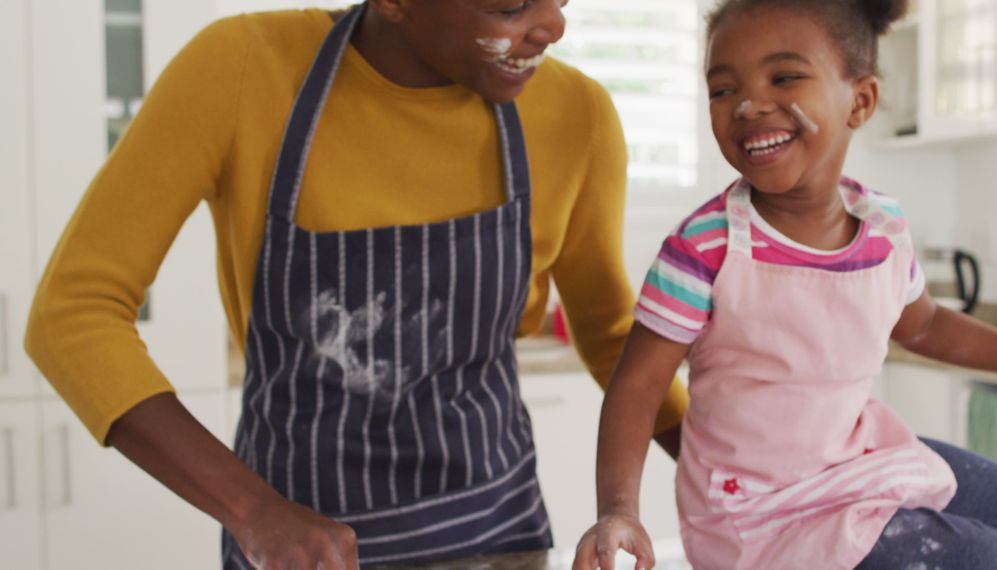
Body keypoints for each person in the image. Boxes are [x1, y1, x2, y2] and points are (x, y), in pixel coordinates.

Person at [23, 1, 690, 568]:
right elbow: (72, 313)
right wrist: (253, 510)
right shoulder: (243, 69)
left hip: (496, 539)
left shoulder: (577, 114)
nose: (552, 25)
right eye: (511, 4)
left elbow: (612, 338)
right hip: (292, 550)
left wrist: (749, 483)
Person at [571, 0, 997, 568]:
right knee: (989, 559)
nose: (747, 104)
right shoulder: (705, 247)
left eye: (784, 77)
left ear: (859, 100)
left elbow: (927, 324)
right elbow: (636, 388)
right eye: (722, 89)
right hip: (761, 517)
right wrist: (618, 509)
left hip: (862, 463)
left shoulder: (884, 227)